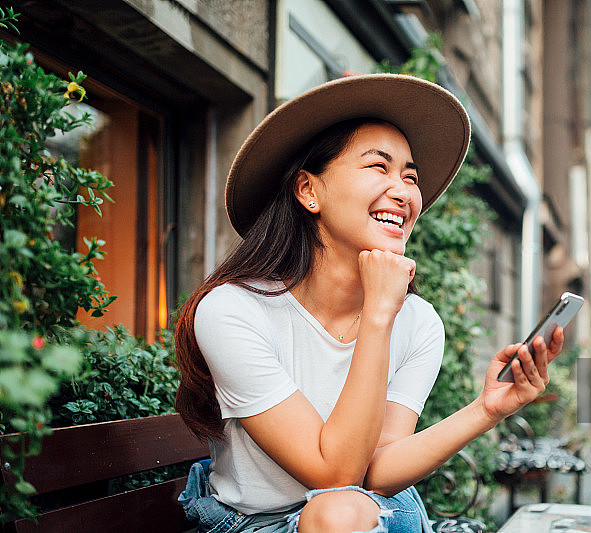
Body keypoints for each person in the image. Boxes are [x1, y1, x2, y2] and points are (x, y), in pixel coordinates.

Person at [174, 73, 564, 533]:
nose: (403, 191)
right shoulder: (232, 311)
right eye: (379, 167)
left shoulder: (418, 322)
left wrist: (487, 410)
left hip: (372, 514)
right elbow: (335, 476)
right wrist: (379, 313)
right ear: (308, 191)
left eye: (410, 177)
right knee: (337, 511)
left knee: (343, 512)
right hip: (257, 523)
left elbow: (375, 471)